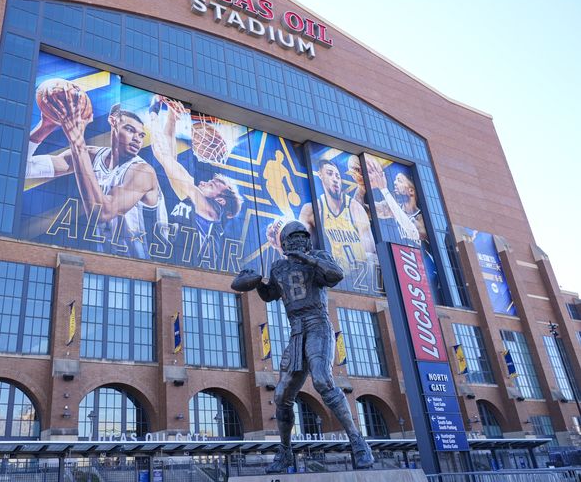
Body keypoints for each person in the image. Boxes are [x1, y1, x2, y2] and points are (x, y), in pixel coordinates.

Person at [233, 221, 374, 472]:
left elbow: (336, 275)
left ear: (308, 240)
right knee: (280, 396)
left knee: (322, 380)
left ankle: (358, 442)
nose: (298, 242)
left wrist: (308, 259)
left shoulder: (319, 257)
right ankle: (285, 453)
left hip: (318, 324)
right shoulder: (279, 266)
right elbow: (270, 295)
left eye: (302, 237)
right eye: (293, 238)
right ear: (284, 243)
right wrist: (255, 283)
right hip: (296, 330)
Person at [25, 84, 167, 258]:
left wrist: (77, 143)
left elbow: (102, 213)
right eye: (130, 130)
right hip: (105, 265)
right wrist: (46, 125)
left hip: (142, 270)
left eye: (140, 135)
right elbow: (24, 168)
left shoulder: (143, 171)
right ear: (113, 122)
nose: (137, 139)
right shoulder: (92, 155)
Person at [148, 96, 243, 260]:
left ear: (221, 201)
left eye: (212, 185)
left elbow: (161, 153)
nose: (204, 182)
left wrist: (154, 112)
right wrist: (172, 118)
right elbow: (170, 161)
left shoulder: (209, 209)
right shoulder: (198, 206)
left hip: (196, 275)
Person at [364, 156, 419, 244]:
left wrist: (384, 189)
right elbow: (363, 210)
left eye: (399, 181)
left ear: (411, 191)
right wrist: (361, 186)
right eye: (395, 180)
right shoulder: (392, 208)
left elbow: (414, 233)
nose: (394, 183)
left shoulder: (420, 218)